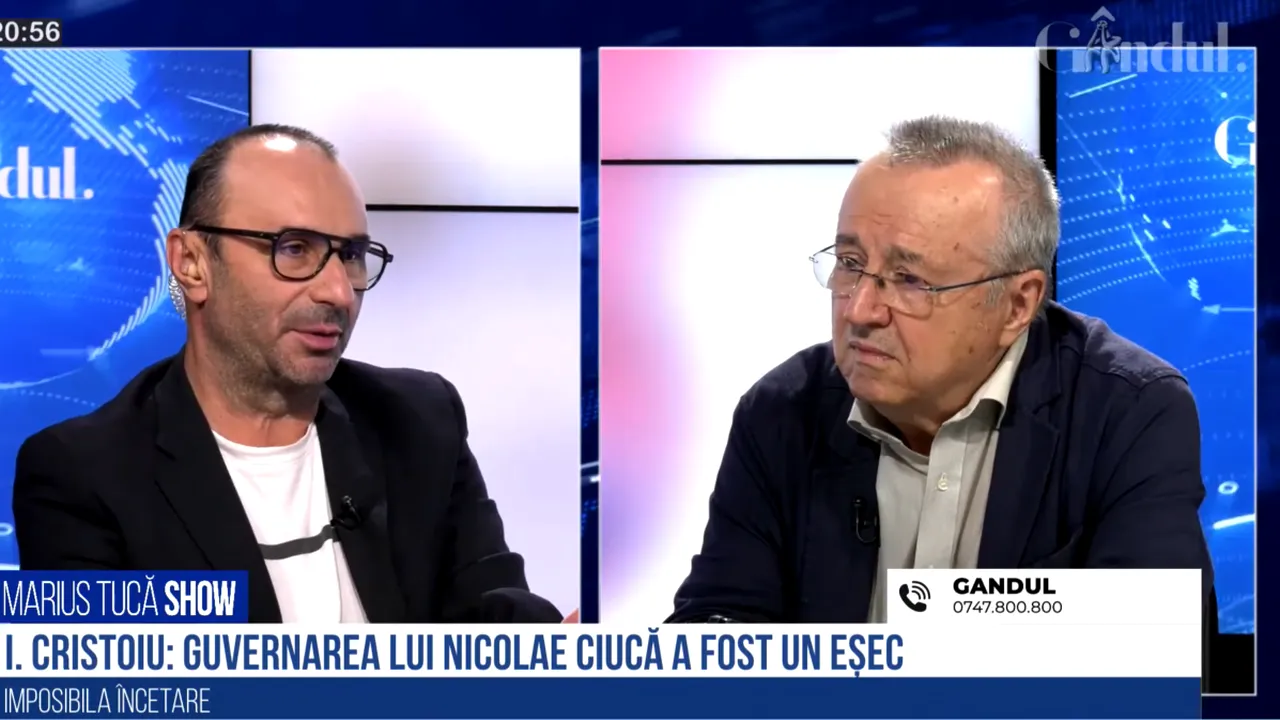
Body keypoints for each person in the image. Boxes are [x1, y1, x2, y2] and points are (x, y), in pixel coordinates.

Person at [13, 124, 573, 624]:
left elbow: (491, 623)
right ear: (192, 263)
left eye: (351, 254)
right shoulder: (84, 476)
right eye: (295, 248)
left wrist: (556, 655)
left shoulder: (419, 421)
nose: (338, 292)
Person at [669, 116, 1214, 623]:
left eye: (910, 280)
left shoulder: (1128, 412)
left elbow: (1148, 653)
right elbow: (718, 630)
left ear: (1018, 304)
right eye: (850, 264)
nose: (859, 310)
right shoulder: (782, 413)